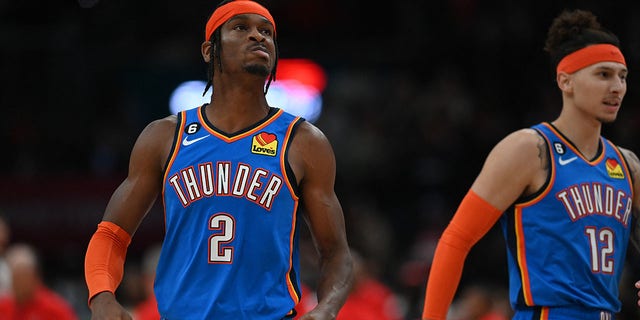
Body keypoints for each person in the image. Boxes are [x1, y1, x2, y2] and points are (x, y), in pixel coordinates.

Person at [83, 0, 354, 319]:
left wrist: (326, 309)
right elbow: (112, 234)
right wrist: (101, 296)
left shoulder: (303, 141)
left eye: (266, 31)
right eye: (241, 27)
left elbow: (336, 253)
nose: (258, 36)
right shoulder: (166, 136)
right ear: (209, 50)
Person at [422, 9, 640, 320]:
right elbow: (457, 238)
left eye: (623, 76)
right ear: (566, 81)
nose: (617, 87)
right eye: (603, 74)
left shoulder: (627, 164)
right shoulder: (530, 149)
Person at [0, 243, 78, 320]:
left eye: (22, 276)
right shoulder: (3, 307)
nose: (18, 283)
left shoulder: (55, 308)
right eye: (15, 277)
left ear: (35, 277)